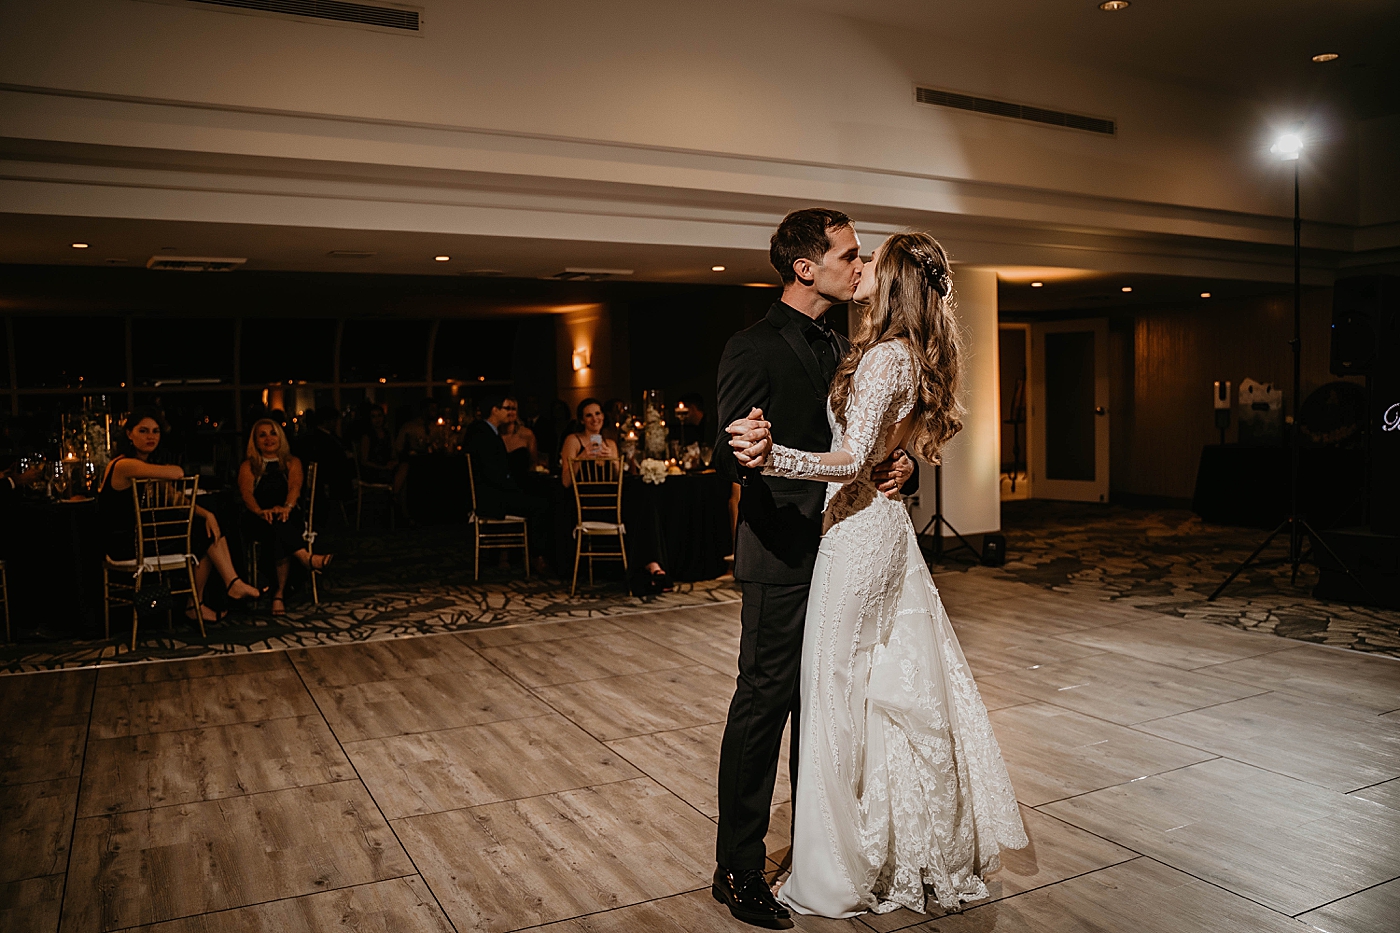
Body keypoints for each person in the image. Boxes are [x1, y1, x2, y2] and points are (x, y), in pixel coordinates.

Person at [728, 232, 1027, 918]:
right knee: (838, 693)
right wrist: (893, 460)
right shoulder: (864, 350)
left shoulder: (877, 354)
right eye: (850, 256)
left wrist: (784, 457)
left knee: (834, 693)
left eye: (870, 260)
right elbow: (862, 444)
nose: (858, 267)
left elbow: (856, 452)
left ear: (892, 283)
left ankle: (837, 863)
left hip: (853, 538)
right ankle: (805, 855)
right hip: (842, 541)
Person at [709, 208, 917, 926]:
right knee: (763, 708)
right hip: (782, 555)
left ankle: (816, 851)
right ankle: (737, 867)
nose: (862, 267)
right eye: (850, 255)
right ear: (806, 266)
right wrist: (745, 444)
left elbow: (872, 439)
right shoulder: (752, 344)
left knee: (825, 709)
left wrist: (904, 464)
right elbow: (725, 450)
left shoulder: (850, 344)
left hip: (844, 555)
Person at [98, 407, 262, 624]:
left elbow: (174, 498)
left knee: (205, 527)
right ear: (129, 434)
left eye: (155, 432)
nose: (151, 437)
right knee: (200, 534)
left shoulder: (144, 466)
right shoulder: (124, 464)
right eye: (144, 431)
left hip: (143, 538)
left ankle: (225, 587)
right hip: (125, 544)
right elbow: (177, 473)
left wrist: (207, 514)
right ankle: (206, 598)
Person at [560, 398, 670, 592]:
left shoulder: (610, 442)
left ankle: (653, 565)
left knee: (645, 502)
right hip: (588, 505)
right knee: (638, 508)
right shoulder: (573, 440)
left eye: (598, 414)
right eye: (589, 415)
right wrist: (582, 458)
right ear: (582, 420)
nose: (595, 419)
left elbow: (620, 478)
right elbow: (566, 481)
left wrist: (611, 459)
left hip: (613, 502)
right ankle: (646, 568)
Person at [237, 418, 333, 615]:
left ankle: (278, 593)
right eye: (262, 435)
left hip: (286, 514)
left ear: (280, 437)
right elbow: (246, 494)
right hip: (258, 517)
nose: (268, 439)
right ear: (254, 440)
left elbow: (295, 487)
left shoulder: (292, 462)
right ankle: (305, 559)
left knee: (281, 524)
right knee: (274, 526)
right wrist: (261, 511)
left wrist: (287, 507)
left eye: (273, 433)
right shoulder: (249, 466)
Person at [464, 392, 549, 572]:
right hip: (492, 498)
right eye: (505, 408)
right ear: (495, 410)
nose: (509, 413)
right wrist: (514, 489)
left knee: (535, 501)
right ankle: (536, 555)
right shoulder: (484, 434)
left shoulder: (486, 432)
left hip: (494, 492)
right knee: (540, 506)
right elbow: (493, 473)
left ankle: (527, 555)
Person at [497, 396, 539, 478]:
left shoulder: (527, 434)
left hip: (523, 482)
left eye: (514, 409)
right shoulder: (494, 435)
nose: (511, 412)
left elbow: (533, 462)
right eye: (507, 409)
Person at [357, 404, 398, 484]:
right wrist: (383, 467)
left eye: (379, 415)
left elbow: (394, 455)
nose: (377, 419)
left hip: (387, 468)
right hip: (373, 470)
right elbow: (364, 461)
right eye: (373, 416)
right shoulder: (367, 436)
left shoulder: (388, 434)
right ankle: (394, 495)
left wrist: (393, 463)